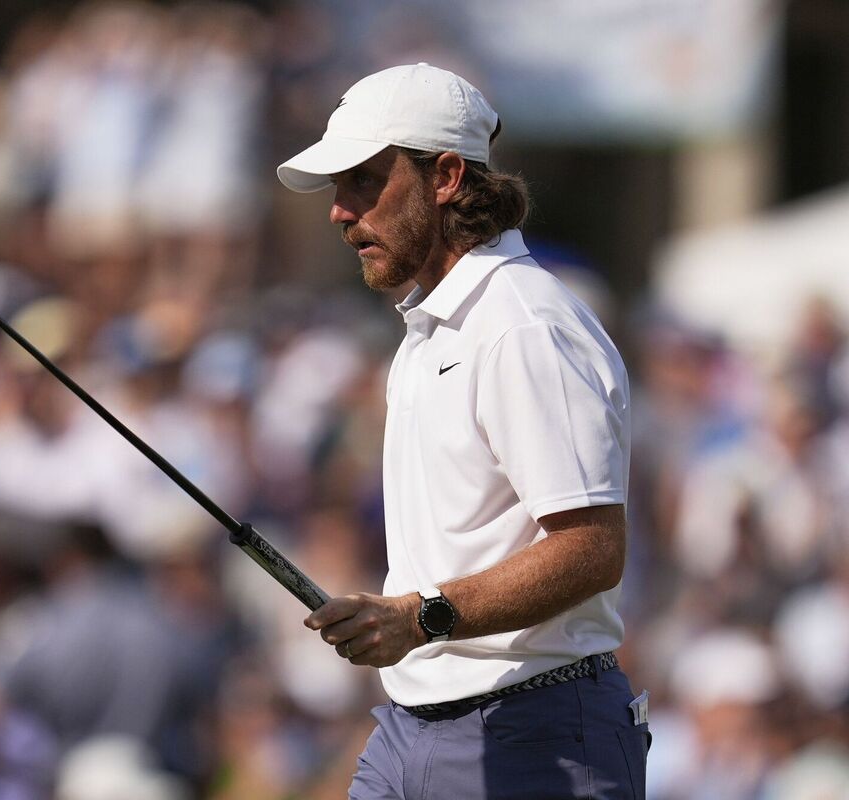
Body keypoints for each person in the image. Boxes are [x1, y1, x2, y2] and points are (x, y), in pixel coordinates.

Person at [276, 63, 648, 798]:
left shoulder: (522, 324)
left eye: (363, 182)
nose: (339, 212)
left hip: (537, 733)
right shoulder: (428, 330)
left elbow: (593, 550)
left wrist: (421, 618)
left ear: (446, 176)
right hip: (412, 727)